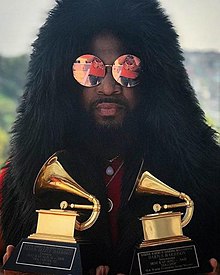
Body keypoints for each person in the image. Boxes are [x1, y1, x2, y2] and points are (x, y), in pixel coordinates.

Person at [0, 0, 220, 274]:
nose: (108, 86)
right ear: (65, 82)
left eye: (128, 69)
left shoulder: (211, 180)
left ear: (152, 80)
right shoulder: (8, 187)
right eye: (88, 69)